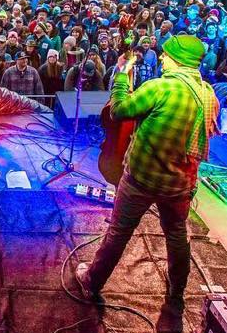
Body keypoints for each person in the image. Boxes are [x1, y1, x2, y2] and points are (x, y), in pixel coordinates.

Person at [75, 34, 218, 314]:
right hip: (180, 184)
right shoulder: (207, 95)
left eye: (166, 55)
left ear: (177, 59)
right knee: (177, 234)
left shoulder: (161, 88)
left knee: (119, 232)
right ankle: (177, 290)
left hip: (142, 179)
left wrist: (121, 77)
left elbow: (119, 110)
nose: (162, 58)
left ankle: (92, 282)